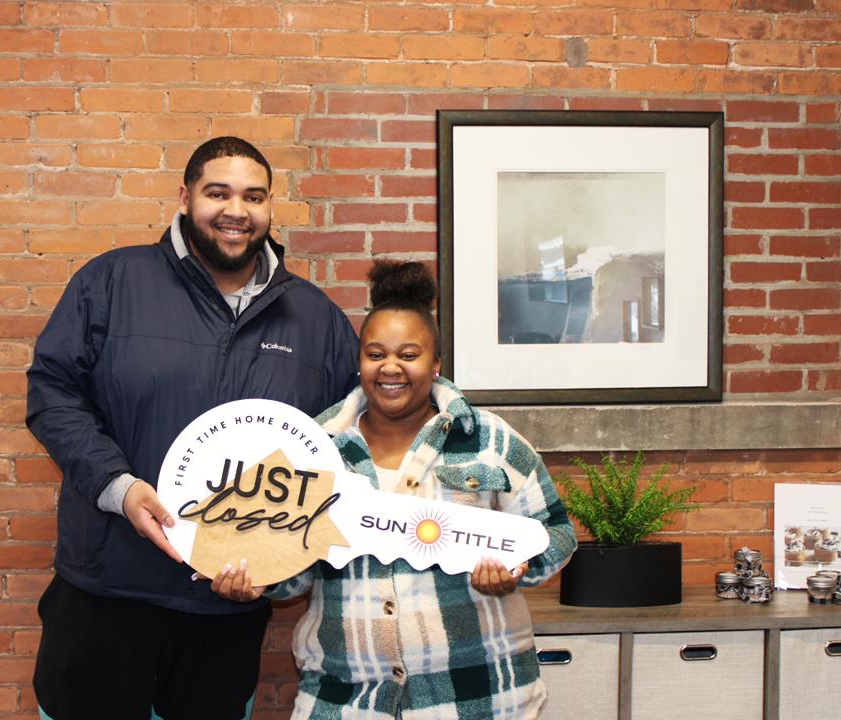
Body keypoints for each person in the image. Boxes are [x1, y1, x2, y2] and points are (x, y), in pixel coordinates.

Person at [26, 136, 360, 720]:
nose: (236, 210)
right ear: (185, 198)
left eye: (253, 196)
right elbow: (53, 395)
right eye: (218, 193)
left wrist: (280, 565)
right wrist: (118, 487)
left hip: (225, 606)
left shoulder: (317, 320)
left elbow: (342, 451)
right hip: (107, 589)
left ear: (270, 206)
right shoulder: (110, 283)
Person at [212, 260, 577, 719]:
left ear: (435, 363)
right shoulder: (314, 449)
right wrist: (259, 579)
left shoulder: (491, 440)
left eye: (408, 355)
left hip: (479, 698)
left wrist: (517, 570)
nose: (390, 367)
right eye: (376, 354)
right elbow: (298, 574)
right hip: (346, 700)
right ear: (359, 360)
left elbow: (557, 532)